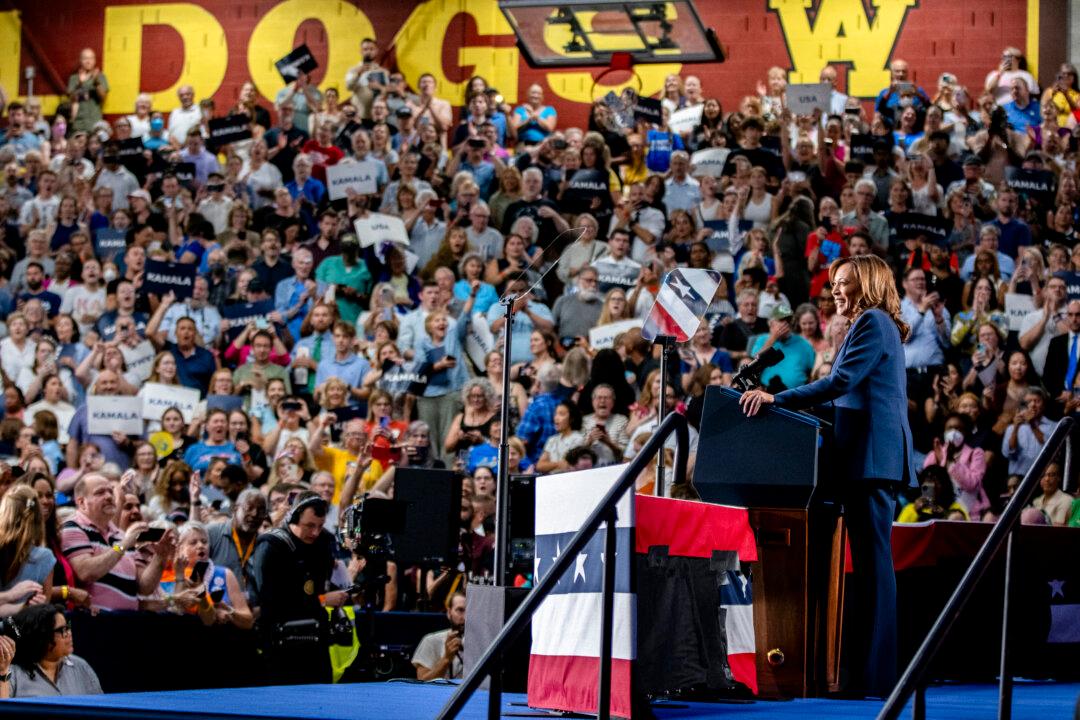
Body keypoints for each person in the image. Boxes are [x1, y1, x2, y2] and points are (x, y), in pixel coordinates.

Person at [740, 254, 916, 698]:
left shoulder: (873, 321)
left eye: (844, 282)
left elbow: (840, 383)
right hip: (864, 455)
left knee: (876, 568)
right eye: (833, 283)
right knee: (873, 567)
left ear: (869, 283)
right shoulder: (873, 324)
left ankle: (879, 677)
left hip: (872, 457)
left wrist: (776, 400)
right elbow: (848, 396)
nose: (835, 290)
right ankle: (868, 674)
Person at [248, 492, 351, 685]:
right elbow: (270, 600)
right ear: (294, 518)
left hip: (315, 640)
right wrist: (321, 600)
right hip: (281, 641)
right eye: (309, 526)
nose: (315, 532)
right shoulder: (271, 545)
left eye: (320, 526)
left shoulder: (323, 542)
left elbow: (322, 585)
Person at [5, 604, 102, 697]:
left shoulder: (81, 666)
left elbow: (100, 708)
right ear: (42, 637)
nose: (69, 633)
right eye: (62, 630)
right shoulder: (12, 673)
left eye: (68, 627)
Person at [412, 591, 466, 680]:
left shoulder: (484, 643)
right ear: (449, 613)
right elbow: (422, 682)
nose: (465, 616)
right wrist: (446, 659)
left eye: (470, 611)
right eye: (460, 610)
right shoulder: (431, 641)